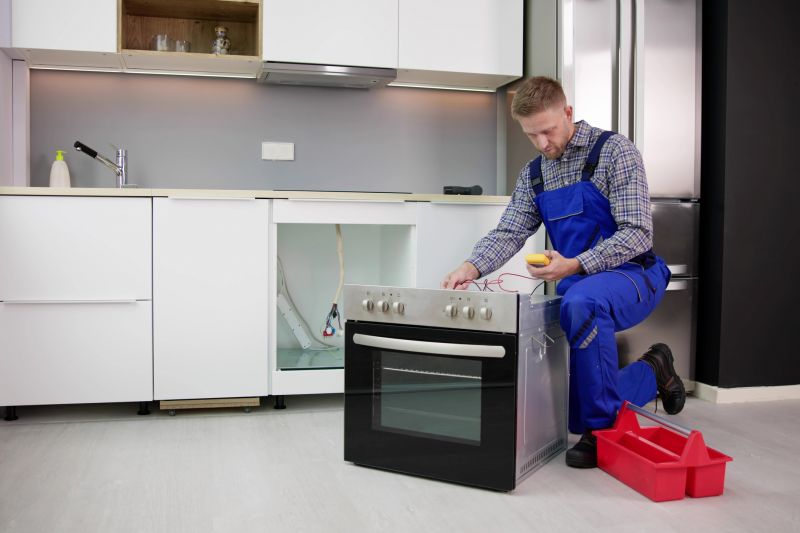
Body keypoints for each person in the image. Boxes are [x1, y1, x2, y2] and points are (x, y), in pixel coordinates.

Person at [442, 76, 686, 469]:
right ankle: (652, 370)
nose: (542, 144)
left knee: (581, 301)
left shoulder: (614, 152)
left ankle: (601, 432)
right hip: (580, 286)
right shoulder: (534, 175)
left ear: (568, 113)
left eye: (548, 131)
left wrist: (576, 264)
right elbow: (510, 230)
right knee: (571, 405)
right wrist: (470, 266)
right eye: (531, 135)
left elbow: (638, 234)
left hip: (634, 276)